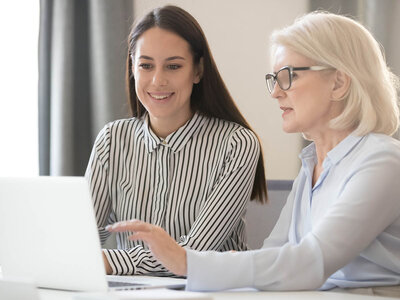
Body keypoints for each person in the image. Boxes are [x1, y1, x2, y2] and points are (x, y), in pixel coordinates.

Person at [107, 11, 400, 296]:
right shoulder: (313, 165)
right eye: (274, 78)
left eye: (288, 76)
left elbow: (311, 262)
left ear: (338, 83)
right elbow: (277, 254)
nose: (275, 92)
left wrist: (187, 261)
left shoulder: (382, 161)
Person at [85, 5, 267, 276]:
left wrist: (110, 261)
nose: (158, 80)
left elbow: (192, 257)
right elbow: (81, 243)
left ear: (197, 71)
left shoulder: (237, 143)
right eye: (146, 65)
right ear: (133, 68)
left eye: (173, 66)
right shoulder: (112, 140)